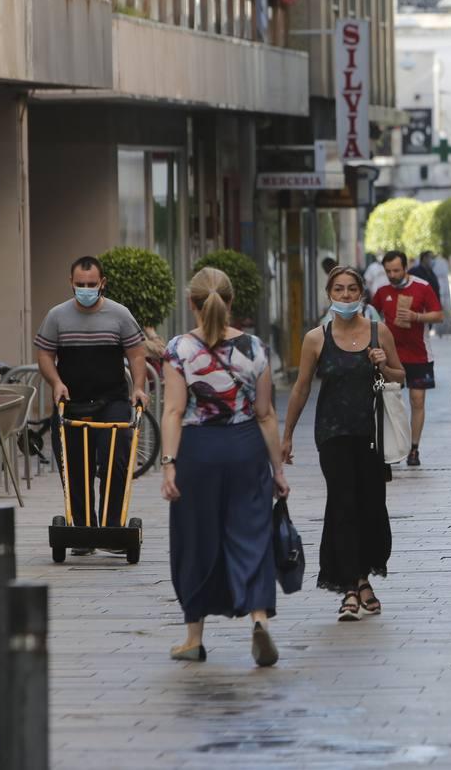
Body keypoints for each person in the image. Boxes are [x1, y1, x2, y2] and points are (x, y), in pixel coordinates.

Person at [160, 267, 288, 666]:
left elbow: (174, 410)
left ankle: (193, 637)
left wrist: (168, 464)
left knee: (195, 539)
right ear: (231, 303)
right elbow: (266, 414)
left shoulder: (179, 349)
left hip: (198, 452)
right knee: (251, 533)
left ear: (191, 304)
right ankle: (260, 620)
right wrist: (278, 471)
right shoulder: (255, 348)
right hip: (246, 449)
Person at [281, 266, 406, 621]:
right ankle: (352, 587)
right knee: (342, 505)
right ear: (329, 295)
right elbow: (302, 387)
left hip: (372, 434)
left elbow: (401, 376)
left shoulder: (380, 334)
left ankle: (363, 576)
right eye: (339, 290)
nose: (346, 296)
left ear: (362, 294)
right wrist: (287, 435)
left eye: (352, 289)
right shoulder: (316, 339)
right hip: (332, 433)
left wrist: (384, 365)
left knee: (371, 507)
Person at [35, 256, 148, 547]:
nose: (85, 289)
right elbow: (45, 354)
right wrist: (56, 382)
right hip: (72, 402)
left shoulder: (119, 315)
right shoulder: (57, 316)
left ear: (102, 284)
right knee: (75, 466)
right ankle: (83, 530)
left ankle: (112, 529)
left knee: (116, 461)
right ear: (71, 283)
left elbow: (136, 353)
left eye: (91, 285)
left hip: (112, 400)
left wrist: (138, 388)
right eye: (80, 285)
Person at [374, 250, 444, 467]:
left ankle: (414, 448)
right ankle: (391, 447)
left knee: (417, 400)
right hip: (391, 356)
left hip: (419, 354)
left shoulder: (422, 287)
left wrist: (416, 317)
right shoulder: (382, 291)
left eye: (396, 270)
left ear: (405, 268)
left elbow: (439, 315)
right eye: (388, 271)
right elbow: (371, 315)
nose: (392, 275)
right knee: (389, 401)